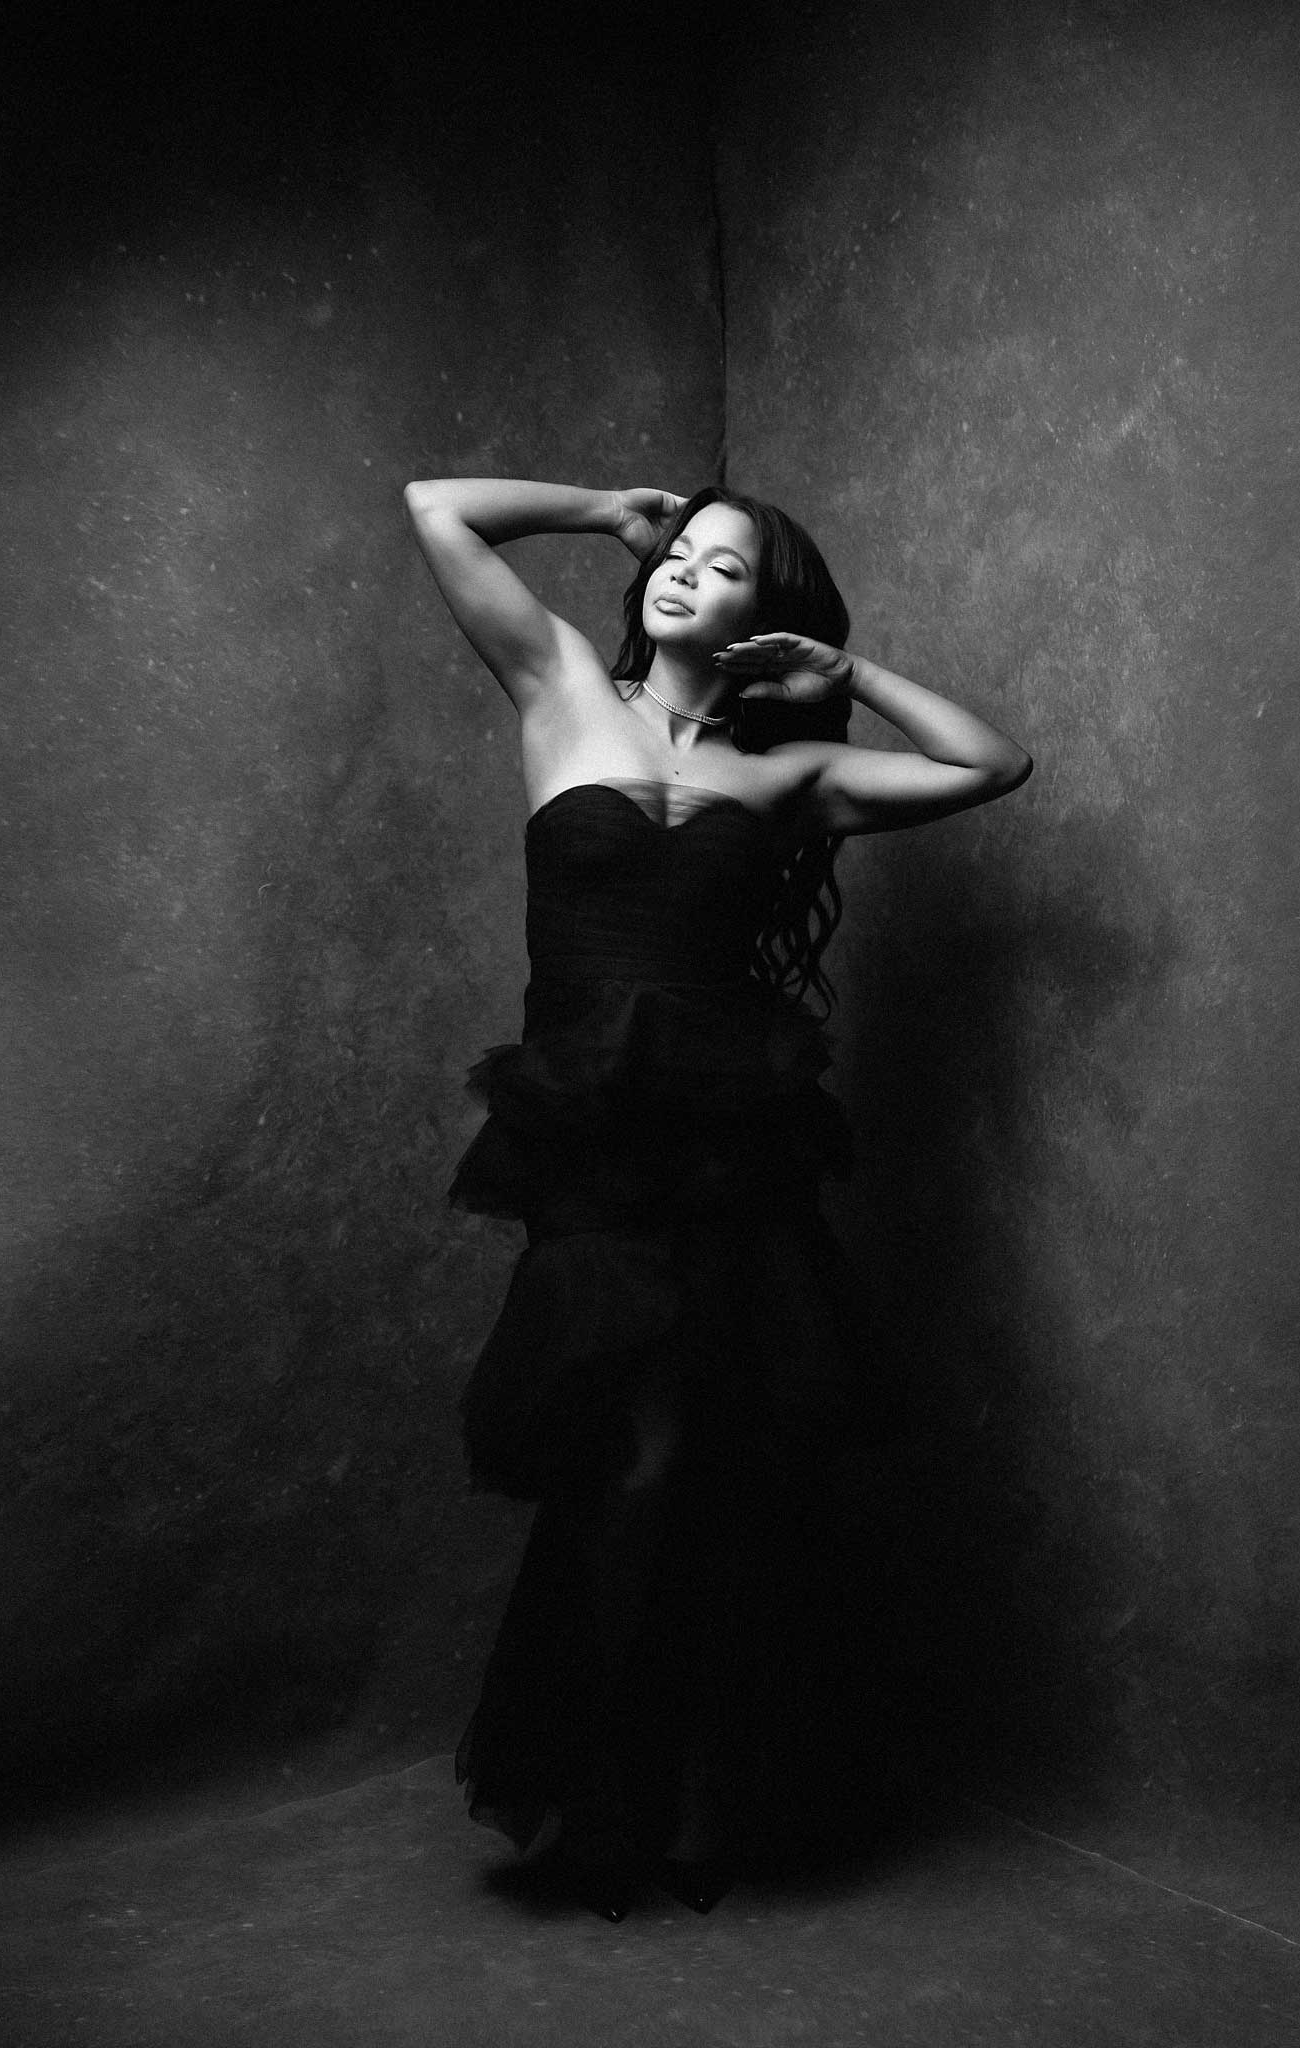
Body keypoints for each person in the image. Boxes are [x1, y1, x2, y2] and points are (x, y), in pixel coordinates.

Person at [404, 475, 1032, 1921]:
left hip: (735, 1152)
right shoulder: (561, 684)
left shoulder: (791, 775)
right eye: (677, 553)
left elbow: (994, 764)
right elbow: (438, 509)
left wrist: (842, 675)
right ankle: (603, 1800)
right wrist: (602, 511)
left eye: (722, 563)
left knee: (713, 1460)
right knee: (629, 1453)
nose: (683, 570)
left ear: (769, 610)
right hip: (590, 1145)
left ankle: (698, 1802)